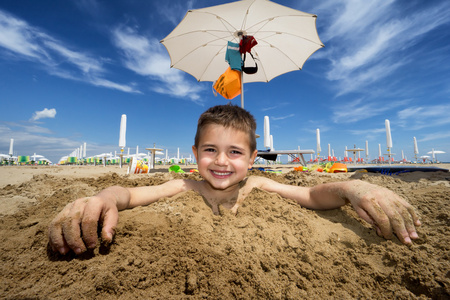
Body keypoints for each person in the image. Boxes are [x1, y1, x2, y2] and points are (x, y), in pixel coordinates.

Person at [48, 104, 420, 255]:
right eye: (210, 150)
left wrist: (354, 186)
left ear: (252, 159)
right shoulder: (186, 185)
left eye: (235, 152)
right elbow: (128, 194)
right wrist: (102, 198)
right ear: (195, 155)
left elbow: (310, 194)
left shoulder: (257, 185)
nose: (222, 161)